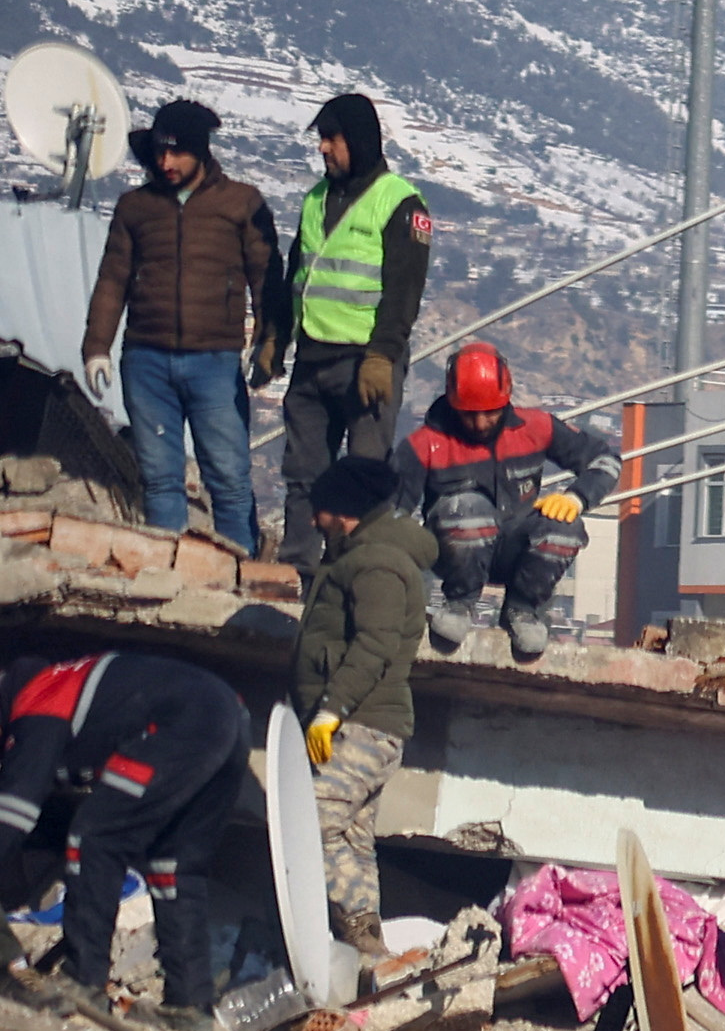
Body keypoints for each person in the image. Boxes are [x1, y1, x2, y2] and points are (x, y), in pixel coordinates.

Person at [0, 641, 289, 1017]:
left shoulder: (38, 698)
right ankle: (189, 1007)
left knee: (95, 838)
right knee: (175, 866)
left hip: (185, 718)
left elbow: (15, 809)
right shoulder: (72, 685)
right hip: (229, 715)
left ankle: (82, 982)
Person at [78, 98, 282, 553]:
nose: (165, 163)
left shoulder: (240, 203)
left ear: (201, 151)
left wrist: (269, 342)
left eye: (176, 153)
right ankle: (167, 573)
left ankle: (240, 576)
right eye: (158, 153)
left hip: (215, 361)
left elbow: (266, 275)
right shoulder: (136, 208)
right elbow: (113, 279)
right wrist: (96, 347)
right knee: (160, 481)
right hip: (146, 360)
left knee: (228, 478)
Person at [288, 456, 435, 946]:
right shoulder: (361, 555)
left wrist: (332, 710)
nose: (314, 520)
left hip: (363, 723)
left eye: (321, 510)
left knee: (314, 821)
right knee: (352, 835)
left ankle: (353, 919)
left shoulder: (376, 563)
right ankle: (363, 943)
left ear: (343, 511)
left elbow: (375, 645)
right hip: (368, 723)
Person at [391, 343, 613, 667]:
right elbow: (392, 517)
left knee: (565, 526)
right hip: (450, 550)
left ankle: (523, 611)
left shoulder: (536, 427)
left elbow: (605, 459)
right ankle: (458, 605)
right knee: (466, 508)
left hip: (514, 548)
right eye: (470, 414)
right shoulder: (424, 445)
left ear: (506, 399)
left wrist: (576, 497)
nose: (480, 423)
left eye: (490, 412)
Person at [272, 91, 430, 517]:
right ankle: (300, 574)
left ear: (358, 141)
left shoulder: (399, 202)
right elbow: (298, 276)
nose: (322, 148)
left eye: (331, 138)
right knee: (303, 477)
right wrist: (277, 336)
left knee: (364, 479)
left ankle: (360, 572)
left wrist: (382, 355)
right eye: (321, 139)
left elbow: (404, 292)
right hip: (311, 359)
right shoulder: (314, 199)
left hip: (365, 361)